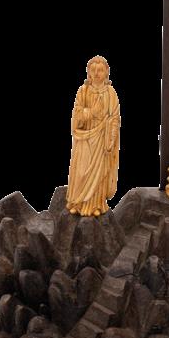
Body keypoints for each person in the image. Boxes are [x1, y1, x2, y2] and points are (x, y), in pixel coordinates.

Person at [66, 55, 120, 217]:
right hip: (85, 137)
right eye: (93, 70)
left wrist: (111, 137)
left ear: (106, 72)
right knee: (81, 171)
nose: (96, 73)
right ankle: (77, 202)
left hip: (102, 138)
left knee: (99, 173)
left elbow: (114, 117)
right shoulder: (83, 91)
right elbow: (77, 114)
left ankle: (96, 204)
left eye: (100, 70)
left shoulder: (110, 93)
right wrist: (91, 113)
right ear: (88, 72)